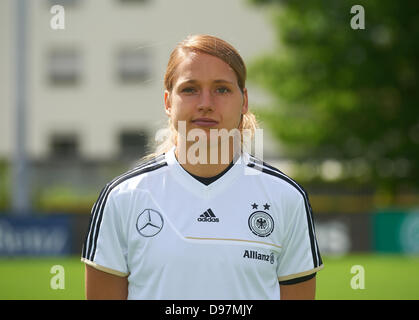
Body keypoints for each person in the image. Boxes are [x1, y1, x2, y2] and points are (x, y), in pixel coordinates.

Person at [81, 34, 323, 300]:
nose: (205, 103)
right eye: (190, 89)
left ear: (243, 101)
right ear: (168, 103)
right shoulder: (123, 197)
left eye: (221, 89)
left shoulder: (286, 197)